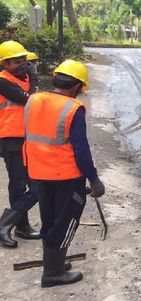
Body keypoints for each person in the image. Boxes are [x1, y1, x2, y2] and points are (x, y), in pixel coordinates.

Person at [24, 59, 105, 287]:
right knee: (66, 222)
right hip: (66, 176)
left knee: (49, 220)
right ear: (77, 86)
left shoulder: (33, 100)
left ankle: (54, 264)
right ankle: (53, 273)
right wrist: (94, 178)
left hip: (39, 172)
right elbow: (81, 148)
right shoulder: (72, 108)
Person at [0, 40, 40, 248]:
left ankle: (19, 226)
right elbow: (30, 100)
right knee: (19, 185)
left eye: (24, 60)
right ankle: (8, 225)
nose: (22, 64)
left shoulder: (22, 79)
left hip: (28, 139)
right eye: (16, 61)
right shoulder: (3, 81)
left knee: (33, 185)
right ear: (5, 64)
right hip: (11, 140)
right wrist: (34, 80)